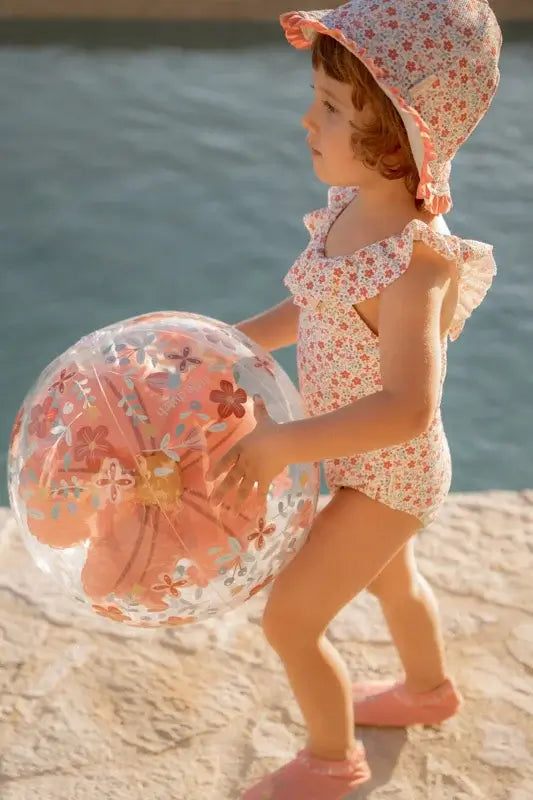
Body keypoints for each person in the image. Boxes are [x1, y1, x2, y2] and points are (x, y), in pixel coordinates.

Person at [207, 1, 502, 796]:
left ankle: (332, 760)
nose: (307, 120)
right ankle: (427, 691)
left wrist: (279, 444)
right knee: (392, 581)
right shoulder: (345, 212)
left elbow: (408, 408)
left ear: (400, 136)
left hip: (389, 476)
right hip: (357, 462)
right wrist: (228, 343)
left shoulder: (415, 268)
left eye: (332, 109)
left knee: (290, 620)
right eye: (317, 100)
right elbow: (312, 305)